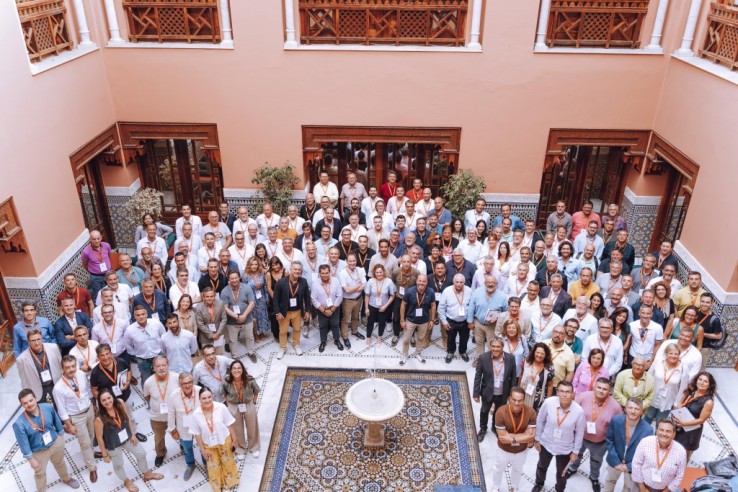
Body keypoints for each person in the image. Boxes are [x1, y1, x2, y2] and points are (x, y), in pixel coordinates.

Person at [95, 388, 162, 491]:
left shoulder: (120, 403)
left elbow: (127, 418)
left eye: (109, 398)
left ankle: (147, 474)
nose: (107, 401)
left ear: (113, 396)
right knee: (118, 465)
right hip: (113, 444)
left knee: (141, 453)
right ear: (100, 402)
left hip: (127, 437)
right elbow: (99, 438)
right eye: (103, 400)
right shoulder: (99, 419)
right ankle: (126, 481)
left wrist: (133, 435)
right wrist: (105, 455)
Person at [13, 389, 80, 492]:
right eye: (25, 403)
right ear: (22, 405)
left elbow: (57, 422)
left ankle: (67, 479)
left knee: (60, 463)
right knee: (40, 473)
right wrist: (31, 459)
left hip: (55, 443)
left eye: (31, 400)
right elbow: (23, 444)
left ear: (35, 398)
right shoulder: (19, 423)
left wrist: (61, 438)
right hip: (38, 452)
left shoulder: (47, 407)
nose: (29, 404)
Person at [566, 378, 623, 490]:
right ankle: (572, 468)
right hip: (580, 437)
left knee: (596, 460)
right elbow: (571, 413)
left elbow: (618, 426)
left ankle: (594, 477)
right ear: (594, 387)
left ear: (609, 391)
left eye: (605, 389)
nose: (601, 391)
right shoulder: (583, 396)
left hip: (600, 441)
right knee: (576, 454)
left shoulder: (616, 407)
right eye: (599, 387)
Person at [532, 381, 586, 492]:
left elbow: (580, 433)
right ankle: (539, 483)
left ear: (573, 394)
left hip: (565, 448)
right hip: (546, 443)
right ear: (557, 392)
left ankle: (559, 489)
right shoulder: (548, 403)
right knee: (542, 466)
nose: (565, 394)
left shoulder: (579, 411)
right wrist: (537, 439)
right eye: (562, 391)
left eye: (568, 392)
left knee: (562, 473)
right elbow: (540, 420)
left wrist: (575, 452)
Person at [52, 356, 98, 482]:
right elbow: (61, 410)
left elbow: (87, 391)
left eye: (73, 366)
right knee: (85, 443)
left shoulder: (81, 374)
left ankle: (91, 454)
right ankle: (92, 467)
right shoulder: (58, 388)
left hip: (88, 410)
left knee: (91, 435)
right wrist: (69, 425)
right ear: (62, 369)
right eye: (67, 367)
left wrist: (93, 404)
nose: (71, 369)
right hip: (76, 417)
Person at [190, 386, 240, 491]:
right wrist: (202, 449)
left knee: (228, 462)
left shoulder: (221, 407)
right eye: (204, 398)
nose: (207, 400)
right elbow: (197, 434)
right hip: (208, 445)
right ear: (199, 399)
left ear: (212, 396)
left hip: (224, 440)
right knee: (213, 467)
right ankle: (218, 486)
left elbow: (229, 424)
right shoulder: (195, 414)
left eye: (209, 397)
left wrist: (234, 440)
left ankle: (231, 482)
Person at [603, 398, 653, 492]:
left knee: (628, 487)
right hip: (615, 460)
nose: (633, 411)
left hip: (633, 466)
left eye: (636, 409)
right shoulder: (615, 420)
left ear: (641, 411)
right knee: (610, 480)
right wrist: (616, 462)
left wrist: (629, 466)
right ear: (625, 409)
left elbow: (645, 453)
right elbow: (609, 440)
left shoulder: (648, 430)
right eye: (630, 407)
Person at [473, 338, 517, 442]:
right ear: (490, 347)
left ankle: (494, 427)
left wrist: (512, 394)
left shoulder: (510, 358)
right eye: (493, 346)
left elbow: (513, 376)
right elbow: (478, 376)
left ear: (502, 347)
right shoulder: (483, 358)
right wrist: (476, 393)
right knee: (484, 410)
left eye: (498, 347)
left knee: (498, 412)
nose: (495, 349)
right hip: (487, 391)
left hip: (503, 392)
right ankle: (483, 429)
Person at [142, 355, 179, 467]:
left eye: (164, 365)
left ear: (168, 365)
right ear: (153, 368)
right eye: (158, 366)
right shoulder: (148, 382)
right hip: (157, 418)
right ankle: (160, 453)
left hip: (176, 416)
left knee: (182, 433)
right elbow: (147, 396)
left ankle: (184, 447)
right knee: (158, 438)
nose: (161, 368)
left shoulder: (177, 378)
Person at [631, 420, 686, 492]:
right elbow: (636, 464)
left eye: (668, 431)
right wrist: (643, 489)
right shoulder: (645, 442)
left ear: (674, 434)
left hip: (663, 490)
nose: (664, 434)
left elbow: (679, 476)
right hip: (640, 485)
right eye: (661, 430)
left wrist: (666, 491)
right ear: (656, 431)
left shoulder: (681, 452)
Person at [166, 373, 202, 481]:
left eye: (189, 382)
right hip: (183, 427)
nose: (187, 385)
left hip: (199, 425)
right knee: (187, 447)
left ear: (193, 382)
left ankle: (206, 463)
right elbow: (171, 414)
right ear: (180, 384)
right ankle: (190, 465)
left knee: (203, 446)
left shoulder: (200, 391)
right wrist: (173, 430)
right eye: (184, 383)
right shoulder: (173, 396)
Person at [673, 371, 716, 460]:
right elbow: (681, 402)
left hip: (691, 430)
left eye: (705, 381)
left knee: (683, 453)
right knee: (673, 447)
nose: (701, 383)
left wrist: (684, 423)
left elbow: (701, 420)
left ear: (710, 385)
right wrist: (677, 410)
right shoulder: (690, 390)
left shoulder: (708, 402)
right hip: (679, 424)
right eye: (700, 379)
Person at [273, 262, 311, 359]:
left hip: (298, 311)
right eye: (295, 269)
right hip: (284, 312)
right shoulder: (281, 282)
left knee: (297, 329)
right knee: (283, 331)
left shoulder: (304, 281)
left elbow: (307, 297)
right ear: (290, 270)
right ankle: (282, 347)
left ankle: (296, 344)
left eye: (299, 270)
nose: (297, 271)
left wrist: (307, 311)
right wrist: (277, 313)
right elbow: (275, 299)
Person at [222, 360, 261, 458]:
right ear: (230, 371)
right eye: (234, 368)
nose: (236, 370)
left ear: (242, 369)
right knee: (237, 428)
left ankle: (254, 447)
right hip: (234, 406)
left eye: (239, 368)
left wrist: (254, 402)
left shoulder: (250, 380)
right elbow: (224, 393)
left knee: (252, 426)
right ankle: (240, 448)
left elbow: (256, 391)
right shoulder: (226, 382)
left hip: (248, 404)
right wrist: (228, 404)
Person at [644, 344, 690, 424]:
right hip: (652, 397)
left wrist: (676, 403)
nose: (673, 356)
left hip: (668, 401)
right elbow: (648, 377)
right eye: (671, 353)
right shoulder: (658, 362)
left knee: (661, 421)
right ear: (666, 354)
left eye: (676, 354)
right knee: (648, 417)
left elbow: (683, 389)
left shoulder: (683, 368)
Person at [467, 275, 507, 366]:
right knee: (479, 341)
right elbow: (471, 307)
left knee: (491, 343)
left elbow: (506, 312)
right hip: (478, 323)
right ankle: (480, 359)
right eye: (488, 282)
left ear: (496, 284)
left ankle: (489, 360)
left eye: (492, 283)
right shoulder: (477, 292)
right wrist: (470, 321)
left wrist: (498, 317)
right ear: (484, 283)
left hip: (493, 325)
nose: (490, 284)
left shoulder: (503, 296)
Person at [18, 329, 62, 407]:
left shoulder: (53, 347)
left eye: (38, 339)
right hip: (38, 388)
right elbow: (24, 380)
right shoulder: (21, 359)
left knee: (61, 407)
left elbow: (61, 366)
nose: (36, 342)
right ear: (28, 341)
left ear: (42, 338)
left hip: (55, 383)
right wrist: (27, 396)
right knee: (44, 411)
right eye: (33, 340)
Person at [123, 305, 165, 386]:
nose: (141, 317)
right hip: (142, 359)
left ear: (146, 314)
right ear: (134, 316)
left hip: (158, 356)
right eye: (138, 315)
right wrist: (136, 355)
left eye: (143, 314)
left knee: (161, 377)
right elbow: (127, 345)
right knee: (146, 380)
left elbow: (164, 336)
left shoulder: (156, 323)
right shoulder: (130, 330)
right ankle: (147, 397)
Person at [399, 274, 436, 365]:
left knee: (420, 338)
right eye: (420, 281)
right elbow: (403, 305)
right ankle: (404, 355)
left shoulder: (431, 292)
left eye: (424, 281)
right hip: (410, 320)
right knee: (406, 339)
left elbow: (433, 305)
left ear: (427, 282)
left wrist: (432, 320)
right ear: (416, 281)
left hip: (424, 321)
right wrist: (402, 320)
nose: (421, 283)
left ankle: (417, 353)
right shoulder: (409, 291)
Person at [221, 270, 257, 360]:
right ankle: (235, 356)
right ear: (229, 279)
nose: (234, 280)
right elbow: (225, 308)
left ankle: (251, 352)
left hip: (247, 317)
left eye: (236, 278)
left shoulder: (247, 288)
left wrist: (244, 315)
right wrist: (237, 317)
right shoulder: (224, 291)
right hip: (232, 320)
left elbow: (252, 303)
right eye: (232, 278)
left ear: (239, 278)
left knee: (249, 337)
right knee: (233, 340)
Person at [439, 274, 473, 363]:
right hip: (451, 321)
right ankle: (450, 352)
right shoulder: (447, 291)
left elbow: (472, 307)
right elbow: (441, 308)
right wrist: (444, 322)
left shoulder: (469, 291)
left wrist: (471, 321)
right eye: (457, 282)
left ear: (464, 282)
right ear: (453, 282)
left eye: (461, 282)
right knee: (450, 339)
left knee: (464, 339)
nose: (459, 284)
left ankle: (462, 352)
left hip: (465, 322)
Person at [311, 264, 345, 352]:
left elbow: (340, 296)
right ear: (319, 273)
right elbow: (313, 299)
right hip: (321, 309)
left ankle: (336, 340)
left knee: (335, 324)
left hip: (334, 308)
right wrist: (323, 310)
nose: (325, 275)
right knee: (323, 325)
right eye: (323, 273)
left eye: (327, 273)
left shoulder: (336, 281)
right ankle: (323, 341)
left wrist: (332, 309)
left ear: (329, 273)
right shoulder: (315, 284)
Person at [338, 253, 367, 348]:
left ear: (356, 261)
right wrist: (358, 286)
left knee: (355, 317)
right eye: (350, 261)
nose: (352, 262)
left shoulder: (360, 270)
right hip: (347, 300)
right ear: (346, 262)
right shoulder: (342, 273)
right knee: (346, 319)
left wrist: (353, 288)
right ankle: (345, 336)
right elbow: (346, 290)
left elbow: (364, 285)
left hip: (358, 299)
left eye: (354, 260)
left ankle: (354, 331)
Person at [364, 264, 396, 346]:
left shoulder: (389, 281)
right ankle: (368, 337)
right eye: (377, 272)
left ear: (383, 272)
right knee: (370, 322)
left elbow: (392, 296)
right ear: (374, 272)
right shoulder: (370, 281)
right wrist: (366, 308)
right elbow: (367, 295)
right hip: (372, 305)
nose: (379, 274)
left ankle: (379, 337)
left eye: (380, 272)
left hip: (383, 307)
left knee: (382, 322)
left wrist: (385, 306)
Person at [391, 255, 419, 346]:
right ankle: (396, 335)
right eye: (404, 262)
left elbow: (418, 285)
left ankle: (411, 336)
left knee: (412, 318)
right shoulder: (396, 271)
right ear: (401, 262)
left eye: (408, 262)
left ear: (411, 262)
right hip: (399, 298)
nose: (406, 264)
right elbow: (393, 281)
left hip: (411, 300)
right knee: (396, 317)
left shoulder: (416, 272)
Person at [519, 343, 555, 412]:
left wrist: (548, 401)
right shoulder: (527, 362)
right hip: (524, 395)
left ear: (546, 355)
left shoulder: (549, 367)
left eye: (542, 353)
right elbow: (521, 375)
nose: (539, 355)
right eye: (537, 352)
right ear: (534, 352)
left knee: (534, 419)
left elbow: (550, 385)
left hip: (539, 400)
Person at [242, 256, 270, 340]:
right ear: (249, 265)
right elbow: (243, 289)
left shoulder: (261, 274)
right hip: (251, 299)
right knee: (254, 317)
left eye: (255, 264)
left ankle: (261, 331)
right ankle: (255, 334)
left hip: (261, 297)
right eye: (252, 264)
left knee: (262, 315)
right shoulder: (245, 275)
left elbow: (265, 286)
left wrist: (267, 297)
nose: (254, 266)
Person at [628, 304, 663, 370]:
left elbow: (657, 345)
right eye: (643, 313)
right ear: (639, 313)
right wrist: (626, 355)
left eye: (648, 313)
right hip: (633, 356)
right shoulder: (632, 325)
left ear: (651, 314)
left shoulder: (658, 327)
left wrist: (651, 361)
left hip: (648, 358)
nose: (645, 315)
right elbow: (629, 341)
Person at [82, 229, 113, 299]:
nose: (96, 241)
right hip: (96, 277)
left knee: (111, 292)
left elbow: (109, 256)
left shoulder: (106, 245)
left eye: (98, 238)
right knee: (99, 296)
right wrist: (93, 271)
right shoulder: (86, 252)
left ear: (101, 237)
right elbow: (84, 264)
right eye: (94, 239)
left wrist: (109, 268)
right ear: (90, 239)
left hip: (108, 274)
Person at [696, 293, 722, 370]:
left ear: (712, 303)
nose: (704, 304)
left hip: (704, 347)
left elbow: (719, 336)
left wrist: (702, 334)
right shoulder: (694, 312)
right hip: (690, 343)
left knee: (700, 368)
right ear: (699, 301)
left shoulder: (714, 319)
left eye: (707, 302)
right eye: (702, 301)